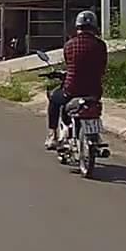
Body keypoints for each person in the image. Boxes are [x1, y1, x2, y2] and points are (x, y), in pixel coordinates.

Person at [46, 10, 108, 150]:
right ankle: (95, 134)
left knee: (54, 99)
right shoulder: (100, 45)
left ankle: (52, 135)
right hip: (94, 91)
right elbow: (103, 67)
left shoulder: (69, 45)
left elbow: (70, 65)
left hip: (72, 90)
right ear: (94, 27)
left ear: (77, 26)